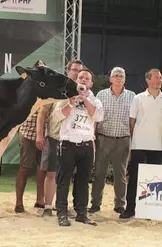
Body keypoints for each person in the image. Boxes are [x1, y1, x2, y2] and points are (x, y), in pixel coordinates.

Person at [53, 68, 103, 226]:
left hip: (87, 144)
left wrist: (85, 99)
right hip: (68, 143)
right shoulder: (65, 95)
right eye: (81, 77)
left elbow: (98, 116)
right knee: (63, 179)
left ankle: (81, 213)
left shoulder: (95, 100)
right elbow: (56, 116)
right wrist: (71, 102)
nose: (83, 80)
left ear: (91, 83)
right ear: (76, 80)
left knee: (83, 180)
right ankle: (61, 213)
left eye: (86, 78)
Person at [36, 59, 84, 216]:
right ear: (68, 70)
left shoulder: (83, 92)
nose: (76, 73)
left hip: (72, 139)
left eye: (79, 70)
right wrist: (39, 134)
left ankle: (61, 206)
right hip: (55, 136)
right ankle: (48, 206)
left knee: (67, 175)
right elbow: (43, 112)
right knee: (51, 173)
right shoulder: (56, 88)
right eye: (74, 70)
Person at [89, 67, 135, 214]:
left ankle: (120, 204)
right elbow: (95, 118)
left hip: (123, 140)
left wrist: (132, 140)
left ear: (125, 79)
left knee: (120, 174)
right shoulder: (101, 95)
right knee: (99, 173)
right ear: (110, 79)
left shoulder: (132, 96)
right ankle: (95, 203)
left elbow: (133, 120)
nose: (118, 78)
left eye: (121, 75)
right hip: (103, 138)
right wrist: (93, 137)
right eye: (115, 75)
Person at [119, 69, 162, 219]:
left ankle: (150, 210)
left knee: (155, 180)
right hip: (139, 145)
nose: (159, 80)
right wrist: (135, 139)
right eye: (156, 78)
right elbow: (132, 121)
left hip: (158, 146)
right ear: (148, 80)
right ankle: (130, 208)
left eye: (160, 78)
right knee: (135, 178)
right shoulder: (138, 98)